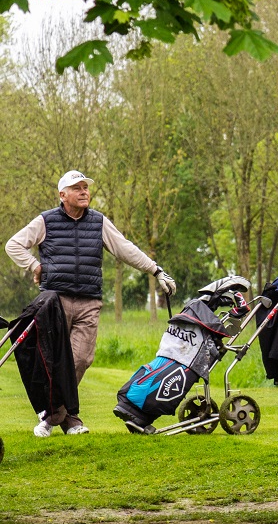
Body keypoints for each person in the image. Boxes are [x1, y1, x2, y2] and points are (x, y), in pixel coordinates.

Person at [5, 170, 176, 436]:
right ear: (63, 195)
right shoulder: (46, 220)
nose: (84, 192)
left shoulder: (99, 222)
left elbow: (124, 248)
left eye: (86, 187)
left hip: (89, 300)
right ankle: (68, 419)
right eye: (77, 188)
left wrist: (155, 270)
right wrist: (34, 265)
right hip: (55, 302)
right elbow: (13, 245)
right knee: (54, 362)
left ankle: (52, 415)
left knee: (82, 359)